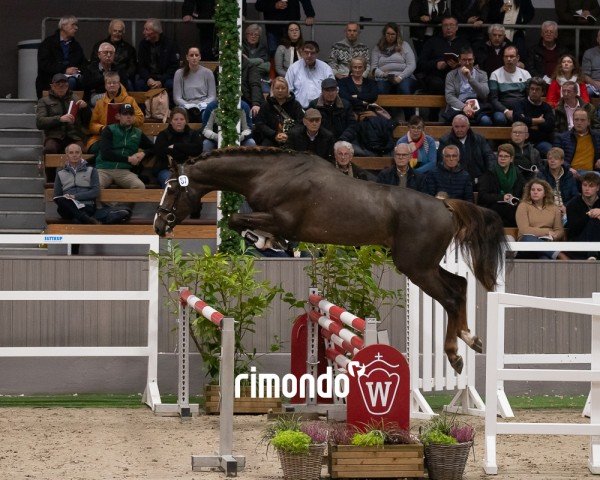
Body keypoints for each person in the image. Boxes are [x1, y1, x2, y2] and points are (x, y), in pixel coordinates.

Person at [95, 103, 154, 191]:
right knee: (96, 186)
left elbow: (154, 148)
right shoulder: (109, 129)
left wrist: (143, 153)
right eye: (125, 114)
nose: (128, 117)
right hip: (104, 169)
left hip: (124, 171)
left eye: (131, 114)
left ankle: (126, 205)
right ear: (118, 116)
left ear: (134, 117)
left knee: (139, 186)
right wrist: (129, 159)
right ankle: (109, 205)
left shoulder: (137, 133)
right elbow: (105, 154)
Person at [86, 71, 144, 157]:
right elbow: (92, 124)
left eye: (114, 83)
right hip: (105, 136)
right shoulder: (99, 103)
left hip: (126, 135)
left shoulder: (130, 100)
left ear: (119, 84)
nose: (112, 85)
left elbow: (140, 119)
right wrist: (102, 128)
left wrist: (128, 119)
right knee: (95, 148)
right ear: (105, 85)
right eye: (109, 83)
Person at [36, 73, 90, 160]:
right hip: (54, 136)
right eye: (58, 85)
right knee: (49, 150)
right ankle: (52, 174)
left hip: (74, 136)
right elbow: (40, 122)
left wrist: (85, 109)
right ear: (52, 86)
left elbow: (87, 121)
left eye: (64, 85)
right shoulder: (44, 101)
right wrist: (59, 119)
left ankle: (78, 173)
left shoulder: (75, 99)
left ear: (68, 86)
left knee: (81, 150)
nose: (61, 87)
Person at [437, 114, 495, 187]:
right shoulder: (445, 141)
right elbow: (440, 163)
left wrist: (487, 175)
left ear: (468, 126)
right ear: (452, 126)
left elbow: (489, 156)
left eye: (463, 126)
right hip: (455, 181)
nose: (460, 130)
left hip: (479, 179)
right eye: (456, 127)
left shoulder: (479, 139)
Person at [36, 15, 87, 98]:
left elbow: (83, 63)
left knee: (85, 79)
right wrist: (64, 70)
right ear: (63, 26)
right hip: (50, 78)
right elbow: (44, 65)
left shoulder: (76, 46)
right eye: (73, 25)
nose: (76, 28)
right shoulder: (48, 43)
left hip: (73, 77)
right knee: (69, 81)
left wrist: (78, 71)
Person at [416, 16, 469, 96]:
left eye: (451, 25)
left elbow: (471, 61)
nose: (448, 28)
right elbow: (420, 63)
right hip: (437, 76)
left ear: (457, 27)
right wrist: (436, 64)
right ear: (442, 28)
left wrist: (458, 65)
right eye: (445, 25)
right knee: (436, 83)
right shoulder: (432, 42)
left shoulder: (464, 43)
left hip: (458, 75)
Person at [515, 178, 567, 259]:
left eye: (539, 190)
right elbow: (524, 230)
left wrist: (554, 236)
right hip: (527, 244)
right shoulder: (523, 206)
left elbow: (559, 230)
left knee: (545, 258)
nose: (535, 192)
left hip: (547, 241)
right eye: (533, 190)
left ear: (545, 193)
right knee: (528, 238)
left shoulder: (554, 208)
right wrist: (547, 232)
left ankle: (552, 254)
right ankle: (559, 255)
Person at [478, 143, 526, 227]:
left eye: (506, 156)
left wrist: (514, 199)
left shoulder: (518, 175)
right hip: (493, 208)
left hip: (512, 209)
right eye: (500, 156)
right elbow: (482, 196)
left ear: (511, 159)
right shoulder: (489, 173)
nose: (502, 159)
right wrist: (502, 197)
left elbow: (522, 194)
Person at [442, 46, 492, 125]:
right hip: (459, 105)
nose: (467, 63)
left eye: (470, 60)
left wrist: (470, 77)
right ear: (459, 60)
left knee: (486, 121)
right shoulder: (451, 75)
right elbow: (449, 96)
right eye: (464, 60)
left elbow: (484, 94)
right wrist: (464, 107)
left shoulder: (482, 74)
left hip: (477, 105)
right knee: (455, 121)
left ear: (474, 59)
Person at [154, 108, 203, 187]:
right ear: (171, 121)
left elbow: (198, 149)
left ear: (186, 121)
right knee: (172, 184)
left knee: (193, 184)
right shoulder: (163, 134)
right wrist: (186, 150)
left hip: (188, 168)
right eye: (176, 119)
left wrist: (176, 146)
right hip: (167, 169)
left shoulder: (193, 134)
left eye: (181, 119)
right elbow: (159, 151)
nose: (179, 122)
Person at [53, 143, 100, 225]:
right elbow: (57, 195)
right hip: (68, 206)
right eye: (71, 153)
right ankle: (86, 219)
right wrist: (69, 199)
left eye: (77, 152)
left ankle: (83, 218)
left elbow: (95, 192)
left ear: (81, 154)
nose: (74, 155)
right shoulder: (60, 172)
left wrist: (75, 197)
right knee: (61, 200)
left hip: (86, 205)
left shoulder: (91, 170)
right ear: (67, 155)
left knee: (76, 220)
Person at [253, 76, 305, 146]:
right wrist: (274, 134)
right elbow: (260, 124)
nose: (280, 90)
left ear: (287, 90)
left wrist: (288, 135)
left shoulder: (295, 105)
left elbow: (300, 123)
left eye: (283, 88)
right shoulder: (266, 105)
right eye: (277, 88)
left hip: (291, 138)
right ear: (272, 89)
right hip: (271, 137)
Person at [370, 23, 417, 97]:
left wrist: (400, 77)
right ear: (384, 34)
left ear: (397, 35)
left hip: (404, 77)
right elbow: (373, 68)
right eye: (388, 34)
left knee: (404, 88)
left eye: (393, 34)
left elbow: (412, 65)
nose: (390, 36)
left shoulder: (404, 45)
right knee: (381, 89)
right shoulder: (378, 48)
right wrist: (383, 74)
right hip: (384, 78)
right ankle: (384, 109)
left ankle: (407, 109)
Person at [512, 77, 555, 157]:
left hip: (541, 142)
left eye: (537, 89)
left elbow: (550, 125)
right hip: (522, 142)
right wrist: (538, 121)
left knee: (551, 152)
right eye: (532, 89)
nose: (534, 92)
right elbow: (518, 120)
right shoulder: (520, 104)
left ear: (542, 92)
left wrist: (528, 122)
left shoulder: (546, 107)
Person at [489, 46, 531, 125]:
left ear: (517, 58)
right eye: (506, 56)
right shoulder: (495, 74)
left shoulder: (526, 74)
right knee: (499, 119)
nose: (509, 59)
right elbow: (493, 99)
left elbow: (529, 96)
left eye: (511, 56)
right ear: (503, 58)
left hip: (522, 108)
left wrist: (519, 111)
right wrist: (506, 111)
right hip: (502, 110)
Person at [173, 46, 216, 123]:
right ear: (187, 57)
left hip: (203, 106)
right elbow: (177, 98)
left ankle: (205, 134)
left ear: (200, 57)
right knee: (180, 116)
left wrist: (203, 104)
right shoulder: (179, 73)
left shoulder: (208, 73)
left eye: (196, 55)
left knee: (208, 115)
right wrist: (188, 105)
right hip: (186, 106)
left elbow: (212, 96)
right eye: (191, 55)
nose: (194, 57)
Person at [90, 19, 137, 90]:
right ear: (110, 31)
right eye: (115, 31)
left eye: (120, 31)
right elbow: (93, 63)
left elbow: (132, 67)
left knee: (129, 83)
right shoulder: (99, 46)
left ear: (123, 32)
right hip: (101, 76)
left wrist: (122, 76)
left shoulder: (129, 49)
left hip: (121, 77)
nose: (117, 33)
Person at [285, 41, 335, 108]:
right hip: (299, 109)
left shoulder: (325, 68)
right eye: (306, 52)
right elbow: (288, 90)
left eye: (312, 53)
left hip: (321, 108)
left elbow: (334, 88)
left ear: (317, 54)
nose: (309, 56)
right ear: (302, 53)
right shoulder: (293, 68)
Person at [554, 108, 600, 180]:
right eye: (576, 120)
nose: (579, 123)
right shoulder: (562, 137)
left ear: (588, 122)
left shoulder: (597, 137)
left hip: (591, 173)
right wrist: (568, 168)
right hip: (571, 172)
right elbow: (555, 157)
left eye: (582, 120)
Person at [135, 19, 180, 91]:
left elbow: (173, 67)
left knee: (171, 84)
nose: (143, 32)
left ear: (156, 32)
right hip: (149, 77)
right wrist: (148, 79)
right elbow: (141, 66)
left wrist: (161, 81)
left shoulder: (170, 44)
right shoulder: (143, 44)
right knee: (139, 84)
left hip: (165, 77)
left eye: (147, 30)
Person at [536, 147, 580, 217]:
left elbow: (575, 195)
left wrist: (566, 207)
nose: (552, 161)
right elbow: (538, 196)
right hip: (547, 209)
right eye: (550, 159)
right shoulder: (541, 175)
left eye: (556, 159)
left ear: (562, 161)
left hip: (565, 209)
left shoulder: (568, 175)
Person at [566, 172, 600, 259]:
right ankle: (592, 254)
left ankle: (592, 255)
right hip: (579, 241)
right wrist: (590, 214)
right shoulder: (572, 204)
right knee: (595, 220)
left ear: (598, 188)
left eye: (591, 186)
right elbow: (574, 229)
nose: (587, 189)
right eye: (585, 185)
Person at [243, 24, 271, 93]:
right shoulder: (241, 46)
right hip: (245, 78)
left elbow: (267, 67)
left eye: (256, 35)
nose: (253, 37)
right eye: (251, 34)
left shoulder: (263, 48)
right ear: (246, 35)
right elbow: (242, 64)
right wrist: (259, 60)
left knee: (266, 91)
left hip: (261, 78)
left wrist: (248, 61)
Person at [582, 30, 600, 97]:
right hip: (594, 85)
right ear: (597, 39)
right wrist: (595, 83)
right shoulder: (589, 53)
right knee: (584, 92)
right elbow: (585, 75)